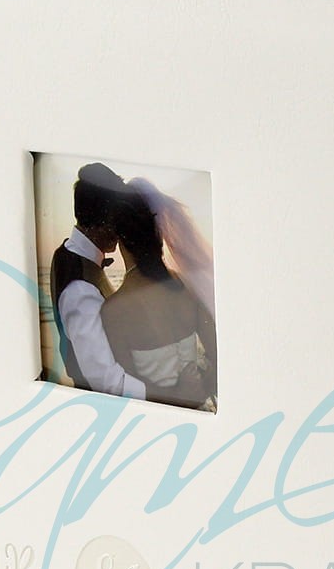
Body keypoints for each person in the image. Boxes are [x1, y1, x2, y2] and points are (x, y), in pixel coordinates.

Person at [101, 178, 217, 411]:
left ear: (119, 237)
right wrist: (200, 390)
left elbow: (126, 394)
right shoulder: (187, 286)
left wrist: (179, 396)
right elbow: (222, 359)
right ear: (160, 232)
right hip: (203, 411)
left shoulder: (114, 310)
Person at [49, 162, 146, 398]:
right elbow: (107, 382)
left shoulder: (67, 252)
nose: (120, 231)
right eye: (118, 220)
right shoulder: (80, 289)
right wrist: (164, 394)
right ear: (102, 221)